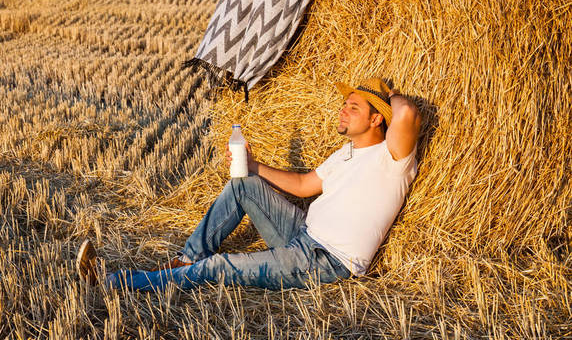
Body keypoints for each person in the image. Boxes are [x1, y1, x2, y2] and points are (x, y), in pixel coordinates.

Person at [76, 78, 421, 291]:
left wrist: (389, 93)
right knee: (242, 182)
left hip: (324, 260)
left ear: (377, 118)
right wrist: (254, 166)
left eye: (355, 107)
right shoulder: (345, 153)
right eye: (345, 104)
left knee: (217, 268)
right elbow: (302, 185)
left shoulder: (392, 158)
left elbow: (406, 115)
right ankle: (186, 258)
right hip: (302, 232)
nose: (343, 110)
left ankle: (113, 284)